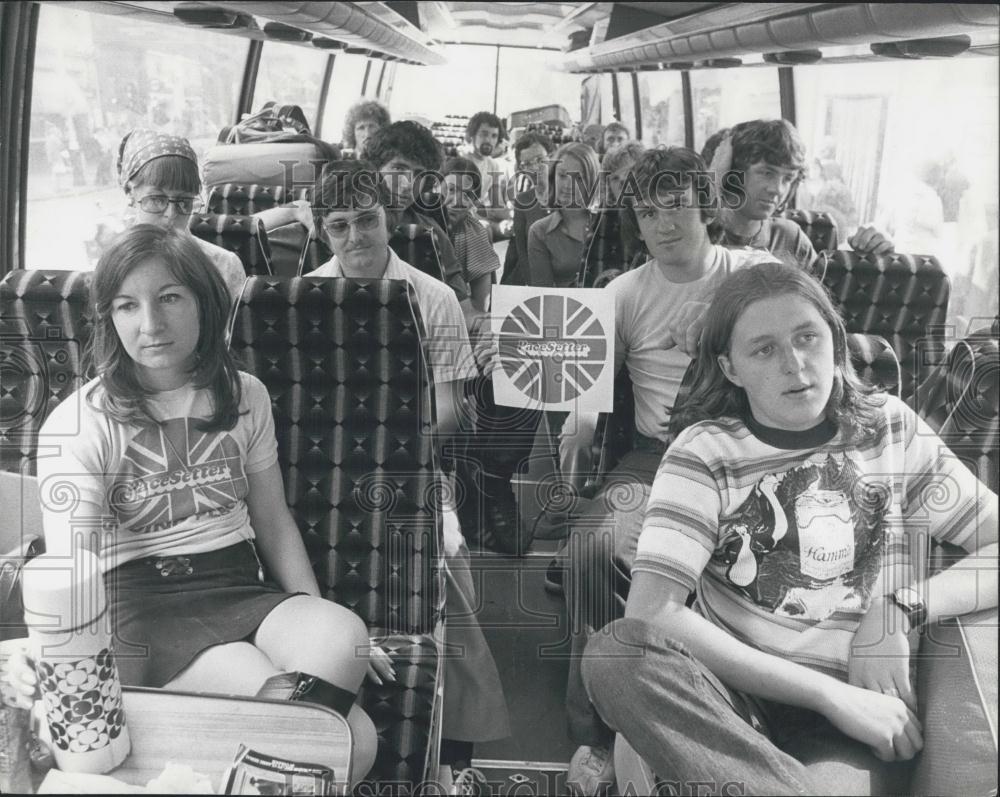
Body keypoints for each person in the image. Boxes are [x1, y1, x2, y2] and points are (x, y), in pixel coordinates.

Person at [582, 260, 998, 795]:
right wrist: (827, 696)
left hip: (852, 721)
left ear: (836, 343)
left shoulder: (889, 430)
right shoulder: (706, 452)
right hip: (726, 697)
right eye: (764, 349)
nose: (795, 364)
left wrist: (902, 608)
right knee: (617, 651)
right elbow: (652, 612)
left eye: (808, 338)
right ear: (730, 367)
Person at [5, 224, 378, 782]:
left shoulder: (245, 394)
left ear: (205, 304)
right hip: (138, 602)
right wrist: (57, 658)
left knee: (343, 638)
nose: (149, 325)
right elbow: (77, 569)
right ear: (108, 318)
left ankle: (239, 759)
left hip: (234, 582)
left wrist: (310, 618)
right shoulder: (82, 424)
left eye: (169, 299)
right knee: (357, 740)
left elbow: (272, 522)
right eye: (128, 306)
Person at [557, 147, 775, 794]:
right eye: (648, 213)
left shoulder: (755, 274)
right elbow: (585, 394)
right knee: (590, 552)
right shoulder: (621, 293)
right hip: (660, 458)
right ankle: (593, 732)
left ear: (704, 204)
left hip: (749, 450)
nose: (664, 225)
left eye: (677, 205)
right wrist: (577, 431)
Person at [306, 161, 511, 772]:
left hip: (415, 469)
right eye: (339, 226)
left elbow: (449, 415)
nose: (356, 238)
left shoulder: (436, 297)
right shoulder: (304, 301)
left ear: (389, 218)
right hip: (322, 476)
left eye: (367, 220)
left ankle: (451, 744)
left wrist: (390, 450)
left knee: (447, 568)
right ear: (322, 234)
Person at [703, 120, 894, 267]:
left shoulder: (790, 237)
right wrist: (715, 179)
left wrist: (873, 250)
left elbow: (820, 301)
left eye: (787, 178)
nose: (777, 189)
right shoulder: (698, 233)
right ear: (732, 174)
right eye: (766, 173)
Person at [365, 121, 476, 327]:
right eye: (399, 168)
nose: (408, 184)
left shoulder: (431, 231)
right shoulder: (343, 222)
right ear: (374, 169)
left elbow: (463, 309)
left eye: (418, 174)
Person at [117, 128, 246, 303]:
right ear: (131, 193)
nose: (171, 214)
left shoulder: (223, 266)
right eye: (156, 199)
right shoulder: (113, 264)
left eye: (184, 202)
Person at [527, 142, 601, 288]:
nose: (568, 185)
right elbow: (542, 294)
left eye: (579, 178)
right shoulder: (539, 231)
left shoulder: (605, 224)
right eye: (562, 175)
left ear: (592, 181)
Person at [441, 156, 501, 312]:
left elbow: (481, 304)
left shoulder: (475, 234)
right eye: (451, 189)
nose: (457, 201)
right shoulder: (418, 224)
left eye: (467, 194)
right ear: (436, 187)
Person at [501, 131, 554, 287]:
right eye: (527, 164)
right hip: (532, 277)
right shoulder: (522, 201)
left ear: (551, 157)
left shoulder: (567, 196)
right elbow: (521, 251)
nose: (535, 167)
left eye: (540, 159)